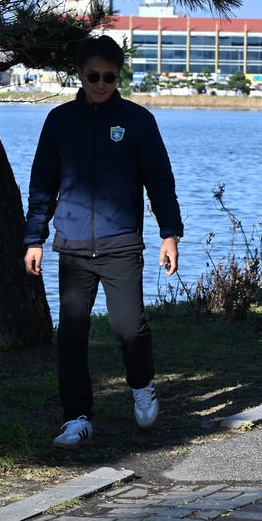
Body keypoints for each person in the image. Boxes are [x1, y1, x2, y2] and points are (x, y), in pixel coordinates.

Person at [23, 35, 183, 450]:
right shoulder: (59, 121)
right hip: (73, 246)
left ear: (118, 77)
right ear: (80, 74)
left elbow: (160, 182)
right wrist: (34, 239)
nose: (100, 84)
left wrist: (170, 234)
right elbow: (42, 184)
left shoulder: (137, 120)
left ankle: (142, 384)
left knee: (129, 329)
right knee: (71, 335)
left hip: (121, 244)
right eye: (93, 75)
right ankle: (77, 418)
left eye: (109, 77)